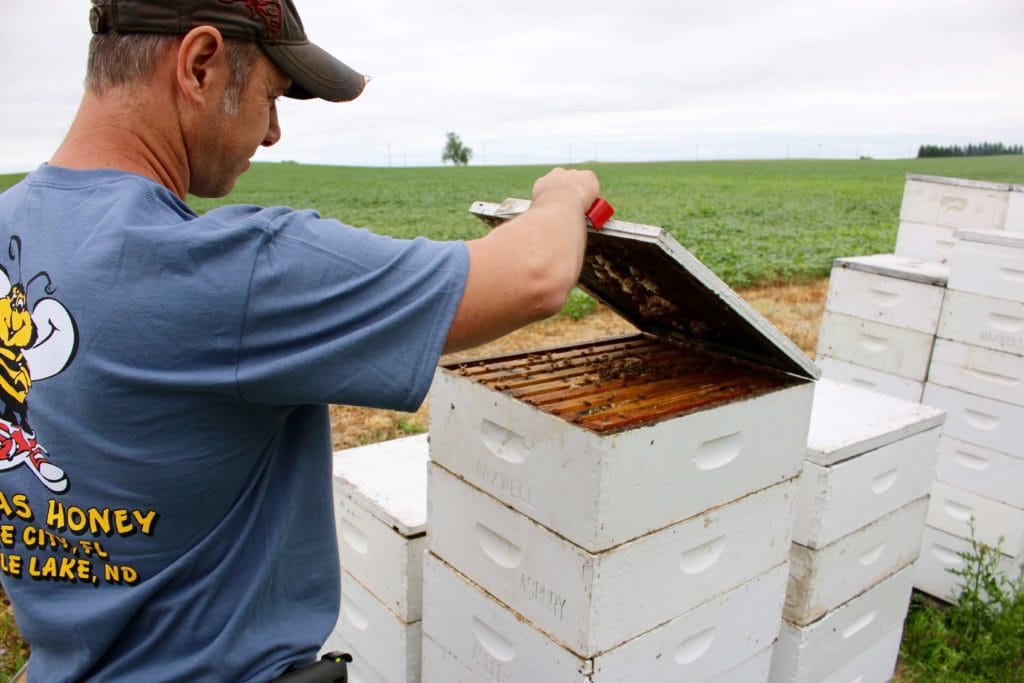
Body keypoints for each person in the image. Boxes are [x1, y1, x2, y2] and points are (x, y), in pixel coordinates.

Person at [0, 0, 599, 680]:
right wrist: (563, 194)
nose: (274, 132)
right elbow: (535, 274)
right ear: (200, 65)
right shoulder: (232, 272)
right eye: (271, 95)